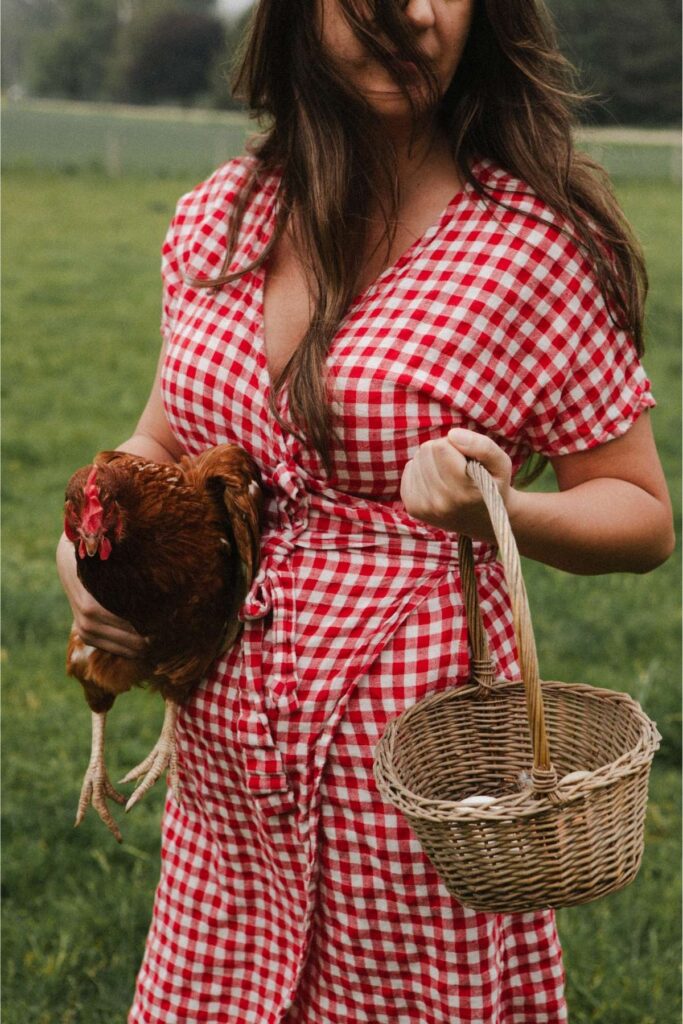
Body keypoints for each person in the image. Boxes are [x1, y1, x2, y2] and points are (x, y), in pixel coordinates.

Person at [57, 1, 674, 1021]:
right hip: (229, 790)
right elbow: (157, 440)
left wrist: (494, 507)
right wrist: (81, 558)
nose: (416, 13)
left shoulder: (532, 248)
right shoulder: (221, 217)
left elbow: (641, 513)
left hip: (414, 805)